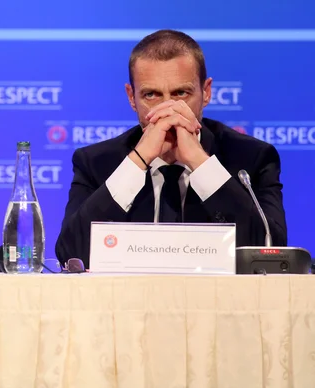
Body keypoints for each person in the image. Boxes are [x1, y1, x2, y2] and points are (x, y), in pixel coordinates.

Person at [55, 29, 287, 267]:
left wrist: (199, 162)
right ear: (131, 97)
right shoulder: (96, 162)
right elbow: (72, 255)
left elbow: (272, 256)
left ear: (206, 92)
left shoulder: (251, 159)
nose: (168, 108)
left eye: (181, 93)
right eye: (151, 95)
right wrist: (139, 159)